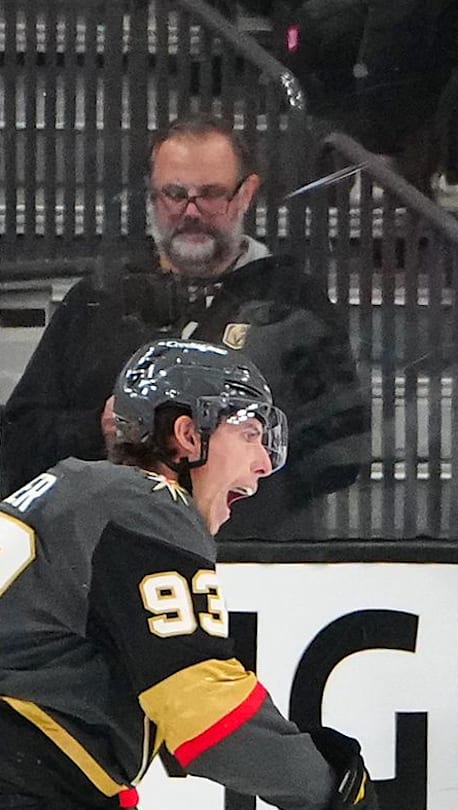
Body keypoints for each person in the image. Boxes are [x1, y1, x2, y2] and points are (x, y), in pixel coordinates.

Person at [0, 339, 379, 810]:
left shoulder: (77, 489)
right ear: (187, 434)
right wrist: (330, 792)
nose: (262, 463)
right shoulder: (143, 509)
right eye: (248, 434)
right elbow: (206, 716)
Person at [0, 114, 367, 540]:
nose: (190, 212)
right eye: (174, 194)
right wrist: (99, 429)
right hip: (106, 565)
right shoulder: (98, 301)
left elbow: (341, 457)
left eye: (210, 195)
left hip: (255, 569)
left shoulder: (295, 306)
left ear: (246, 194)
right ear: (152, 197)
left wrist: (239, 450)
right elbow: (17, 441)